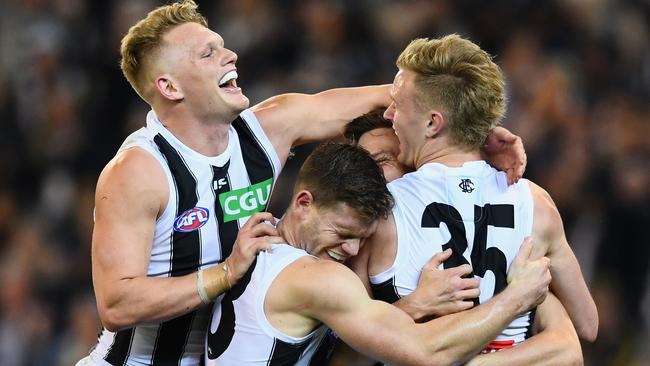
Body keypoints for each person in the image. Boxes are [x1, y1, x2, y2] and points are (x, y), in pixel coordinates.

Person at [79, 1, 528, 365]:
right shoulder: (138, 171)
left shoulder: (269, 128)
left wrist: (474, 133)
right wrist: (223, 274)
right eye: (208, 54)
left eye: (222, 46)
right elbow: (117, 304)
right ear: (170, 87)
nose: (230, 55)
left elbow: (404, 101)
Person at [336, 34, 596, 364]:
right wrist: (528, 293)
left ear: (433, 123)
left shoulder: (379, 211)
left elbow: (345, 340)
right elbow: (587, 324)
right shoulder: (537, 203)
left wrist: (414, 306)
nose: (389, 114)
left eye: (397, 105)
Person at [205, 142, 551, 366]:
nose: (352, 250)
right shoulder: (315, 277)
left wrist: (414, 305)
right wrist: (517, 298)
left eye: (361, 238)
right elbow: (426, 352)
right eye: (343, 234)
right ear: (304, 203)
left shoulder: (258, 239)